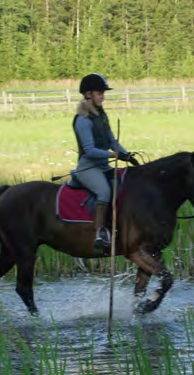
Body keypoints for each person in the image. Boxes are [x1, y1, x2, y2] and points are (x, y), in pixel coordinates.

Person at [73, 73, 139, 251]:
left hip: (103, 166)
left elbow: (111, 140)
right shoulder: (83, 120)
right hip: (88, 167)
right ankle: (99, 233)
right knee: (104, 191)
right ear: (88, 95)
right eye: (99, 93)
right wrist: (114, 156)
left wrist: (127, 155)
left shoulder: (101, 115)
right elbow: (90, 151)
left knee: (125, 187)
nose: (103, 96)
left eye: (103, 93)